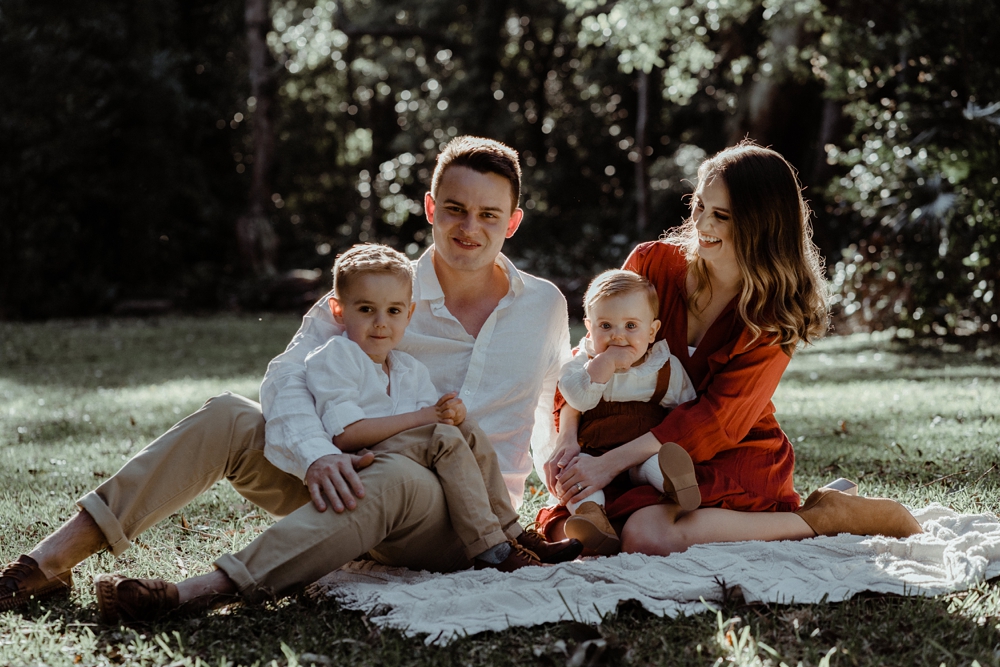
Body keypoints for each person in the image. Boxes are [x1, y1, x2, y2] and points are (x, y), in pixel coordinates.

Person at [1, 136, 577, 622]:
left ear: (514, 221)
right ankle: (47, 563)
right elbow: (288, 378)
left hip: (460, 520)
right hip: (345, 480)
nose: (468, 227)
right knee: (230, 413)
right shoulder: (378, 289)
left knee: (399, 473)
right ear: (430, 208)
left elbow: (563, 406)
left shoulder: (543, 306)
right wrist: (316, 458)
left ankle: (200, 593)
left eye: (488, 215)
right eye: (455, 209)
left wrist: (577, 496)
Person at [541, 141, 922, 554]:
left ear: (759, 227)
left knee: (645, 536)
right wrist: (568, 439)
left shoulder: (775, 314)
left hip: (728, 448)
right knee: (581, 532)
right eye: (699, 205)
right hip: (633, 438)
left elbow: (718, 419)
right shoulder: (651, 264)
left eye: (720, 215)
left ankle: (821, 518)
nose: (701, 223)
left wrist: (610, 463)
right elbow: (593, 352)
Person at [299, 242, 575, 571]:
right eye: (366, 310)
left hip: (407, 461)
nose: (380, 323)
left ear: (408, 313)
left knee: (467, 430)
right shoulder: (335, 357)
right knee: (444, 438)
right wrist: (427, 418)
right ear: (338, 310)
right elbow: (346, 436)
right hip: (369, 462)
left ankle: (513, 532)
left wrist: (450, 414)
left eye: (393, 311)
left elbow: (430, 420)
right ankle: (492, 549)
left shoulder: (404, 366)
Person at [555, 269, 701, 555]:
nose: (617, 337)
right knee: (574, 476)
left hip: (639, 455)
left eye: (631, 326)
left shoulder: (665, 368)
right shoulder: (580, 363)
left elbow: (686, 409)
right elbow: (578, 401)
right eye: (606, 326)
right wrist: (600, 368)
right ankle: (592, 518)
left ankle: (678, 484)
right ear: (589, 327)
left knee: (657, 462)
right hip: (592, 455)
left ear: (652, 331)